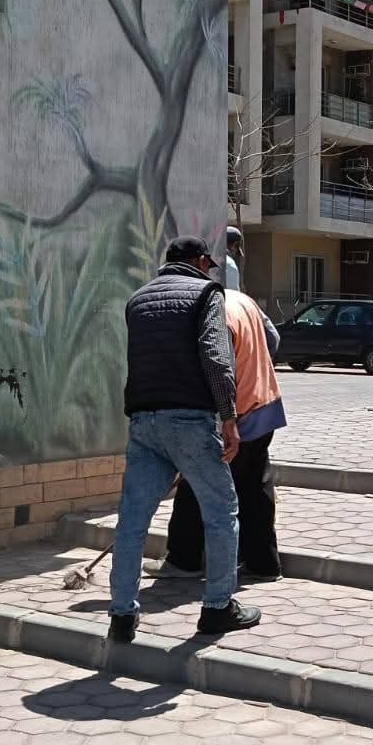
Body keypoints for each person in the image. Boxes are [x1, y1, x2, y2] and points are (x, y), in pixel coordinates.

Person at [109, 236, 261, 640]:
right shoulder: (206, 294)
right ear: (199, 261)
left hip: (143, 420)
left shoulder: (138, 300)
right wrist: (229, 417)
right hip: (190, 420)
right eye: (208, 264)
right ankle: (217, 608)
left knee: (133, 520)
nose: (210, 271)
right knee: (221, 510)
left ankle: (121, 615)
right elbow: (216, 357)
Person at [158, 234, 287, 581]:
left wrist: (221, 419)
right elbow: (273, 340)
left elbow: (218, 368)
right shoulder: (243, 300)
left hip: (232, 414)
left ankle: (184, 560)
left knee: (195, 485)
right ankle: (263, 564)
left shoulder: (205, 309)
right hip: (264, 404)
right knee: (255, 486)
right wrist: (254, 369)